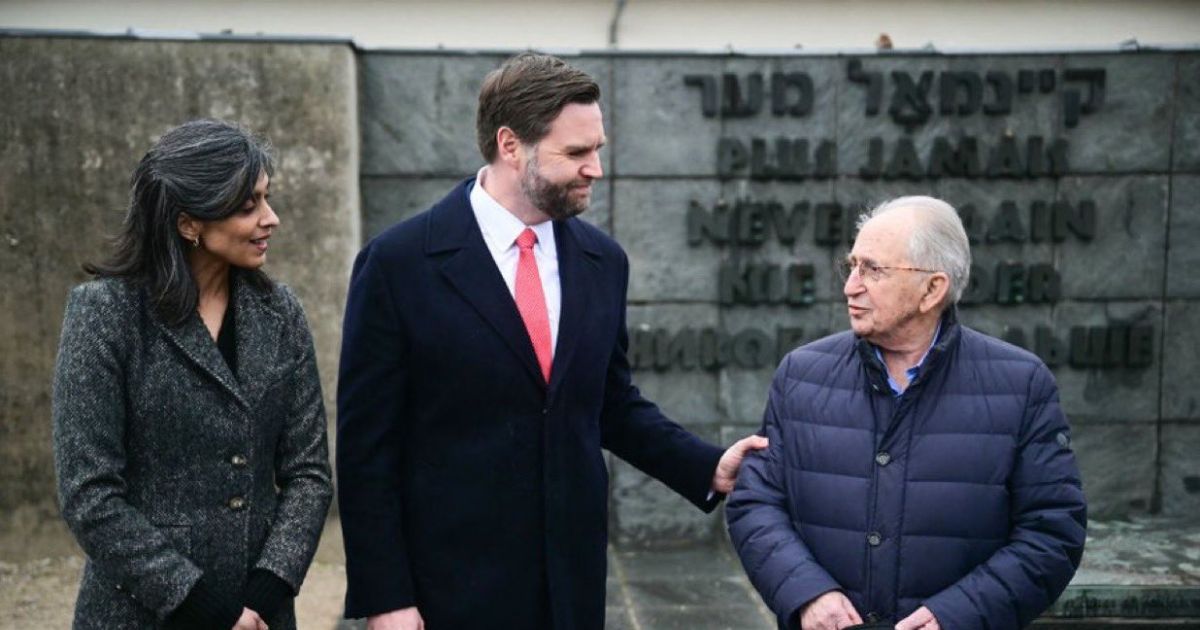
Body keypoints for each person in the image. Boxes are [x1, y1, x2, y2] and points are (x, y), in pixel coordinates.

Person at [336, 52, 767, 630]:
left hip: (570, 585)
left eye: (598, 149)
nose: (596, 169)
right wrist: (386, 596)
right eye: (576, 153)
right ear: (510, 144)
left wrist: (708, 465)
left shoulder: (602, 262)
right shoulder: (398, 263)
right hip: (447, 590)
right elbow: (367, 449)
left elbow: (609, 404)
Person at [726, 196, 1087, 630]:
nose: (850, 286)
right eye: (852, 266)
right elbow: (756, 502)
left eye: (872, 270)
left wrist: (956, 617)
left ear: (932, 290)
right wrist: (807, 593)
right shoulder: (801, 374)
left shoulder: (1022, 385)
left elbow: (1052, 533)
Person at [52, 119, 333, 630]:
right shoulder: (106, 315)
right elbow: (88, 492)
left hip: (261, 613)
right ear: (188, 224)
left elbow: (308, 473)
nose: (271, 219)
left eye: (266, 199)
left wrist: (269, 585)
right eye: (248, 206)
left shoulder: (281, 313)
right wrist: (193, 601)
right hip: (140, 613)